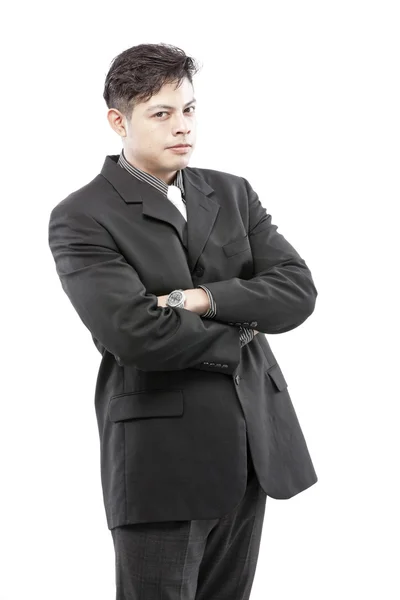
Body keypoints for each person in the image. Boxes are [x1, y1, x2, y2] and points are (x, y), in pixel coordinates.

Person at [48, 42, 318, 600]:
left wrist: (201, 299)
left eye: (189, 109)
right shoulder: (82, 215)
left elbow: (296, 291)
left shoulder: (231, 191)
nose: (183, 127)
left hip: (251, 444)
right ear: (118, 122)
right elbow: (135, 334)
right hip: (160, 459)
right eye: (162, 114)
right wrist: (245, 321)